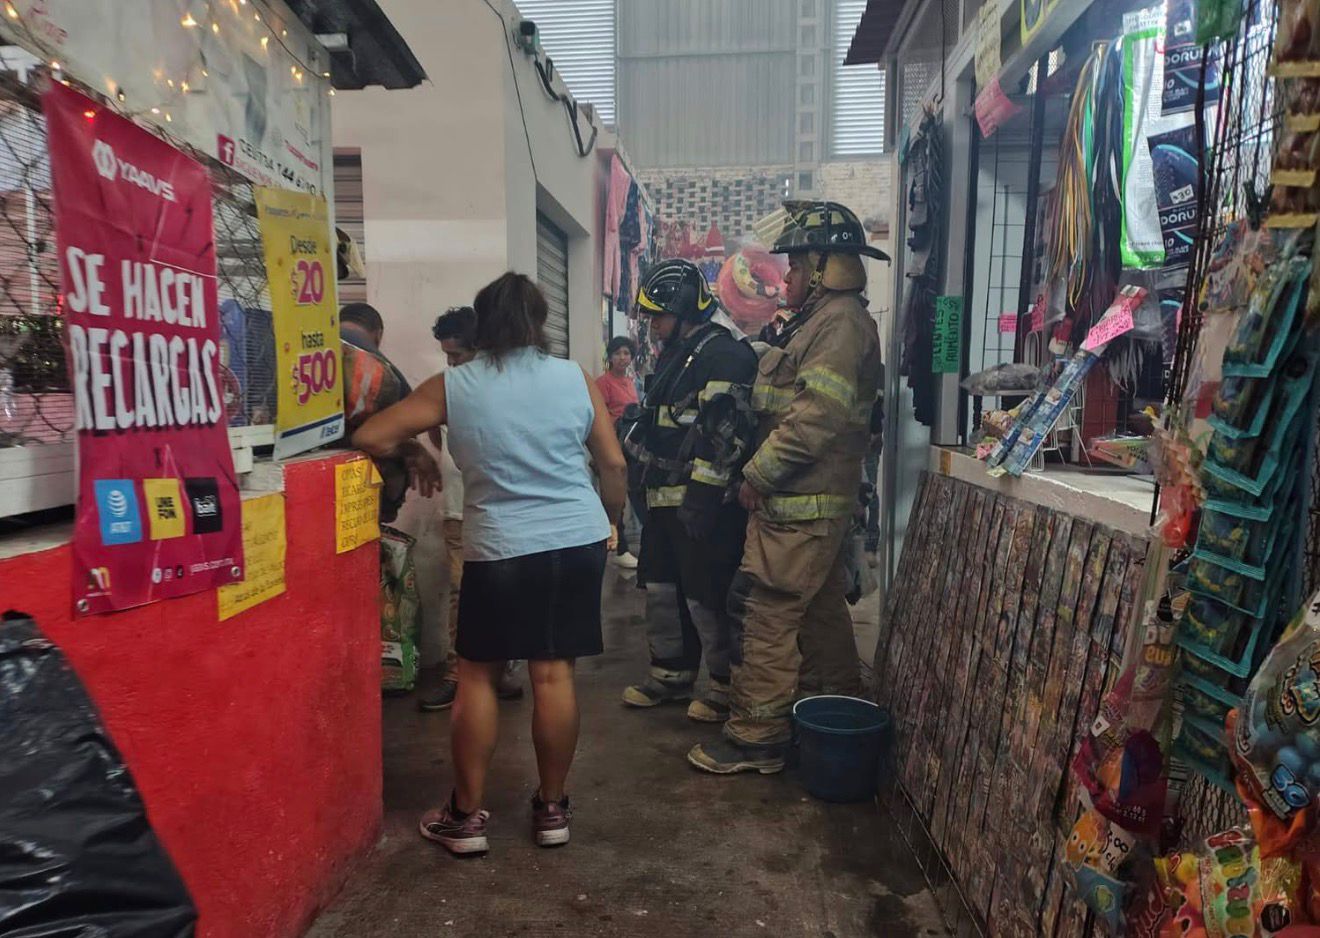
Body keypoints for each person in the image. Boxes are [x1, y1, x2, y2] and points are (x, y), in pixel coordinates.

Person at [352, 272, 627, 856]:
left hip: (500, 547)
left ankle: (466, 816)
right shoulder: (574, 377)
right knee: (553, 673)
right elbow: (614, 464)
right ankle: (552, 809)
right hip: (574, 540)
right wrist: (611, 520)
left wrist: (414, 447)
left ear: (483, 326)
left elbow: (371, 436)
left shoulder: (455, 385)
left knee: (477, 674)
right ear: (539, 322)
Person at [688, 201, 887, 775]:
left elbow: (814, 419)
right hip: (803, 506)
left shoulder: (840, 326)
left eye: (798, 266)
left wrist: (757, 474)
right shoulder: (823, 323)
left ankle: (757, 737)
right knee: (820, 611)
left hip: (799, 505)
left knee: (767, 612)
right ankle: (837, 707)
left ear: (827, 267)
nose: (788, 277)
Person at [619, 259, 757, 724]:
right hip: (660, 499)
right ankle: (671, 675)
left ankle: (723, 685)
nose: (653, 327)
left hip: (702, 506)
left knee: (706, 596)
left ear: (683, 311)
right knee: (661, 589)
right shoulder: (681, 353)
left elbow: (725, 434)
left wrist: (701, 500)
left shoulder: (724, 355)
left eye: (658, 316)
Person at [418, 307, 523, 712]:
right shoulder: (447, 387)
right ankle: (456, 673)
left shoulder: (505, 391)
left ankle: (504, 668)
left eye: (457, 355)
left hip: (501, 510)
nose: (451, 364)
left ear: (481, 350)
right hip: (459, 513)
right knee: (464, 594)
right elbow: (432, 429)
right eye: (446, 356)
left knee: (505, 593)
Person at [595, 336, 641, 570]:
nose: (623, 358)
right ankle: (619, 546)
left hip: (631, 447)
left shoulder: (632, 382)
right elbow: (598, 418)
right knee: (615, 497)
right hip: (612, 447)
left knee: (632, 493)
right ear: (610, 357)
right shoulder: (603, 383)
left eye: (626, 353)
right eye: (618, 353)